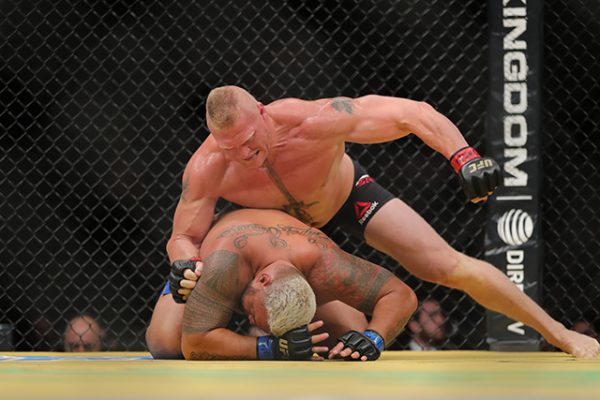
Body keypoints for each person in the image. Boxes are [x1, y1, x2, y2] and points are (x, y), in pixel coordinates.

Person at [152, 85, 599, 358]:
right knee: (168, 343)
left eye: (249, 141)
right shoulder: (208, 166)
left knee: (445, 265)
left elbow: (411, 113)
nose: (244, 155)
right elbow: (184, 235)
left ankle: (558, 334)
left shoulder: (314, 120)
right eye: (230, 148)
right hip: (273, 236)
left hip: (346, 197)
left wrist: (463, 156)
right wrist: (184, 262)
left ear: (264, 114)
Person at [149, 208, 417, 360]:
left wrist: (374, 338)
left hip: (290, 262)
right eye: (254, 314)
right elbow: (194, 343)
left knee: (350, 338)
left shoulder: (326, 266)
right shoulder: (223, 265)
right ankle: (185, 283)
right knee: (166, 344)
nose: (250, 320)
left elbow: (400, 294)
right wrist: (270, 347)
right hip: (209, 266)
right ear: (263, 280)